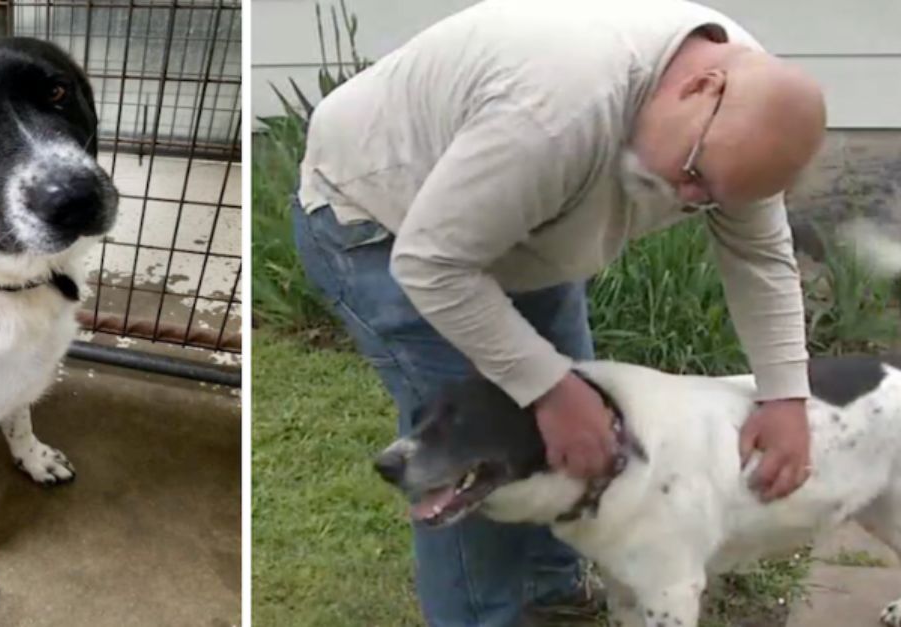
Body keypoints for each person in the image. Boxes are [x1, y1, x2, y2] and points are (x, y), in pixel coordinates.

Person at [290, 0, 826, 625]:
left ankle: (551, 594)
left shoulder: (747, 120)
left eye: (711, 198)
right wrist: (546, 386)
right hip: (387, 221)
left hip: (521, 224)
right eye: (694, 176)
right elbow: (433, 265)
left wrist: (787, 396)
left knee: (572, 428)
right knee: (477, 445)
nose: (690, 200)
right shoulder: (559, 109)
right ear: (697, 88)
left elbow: (759, 256)